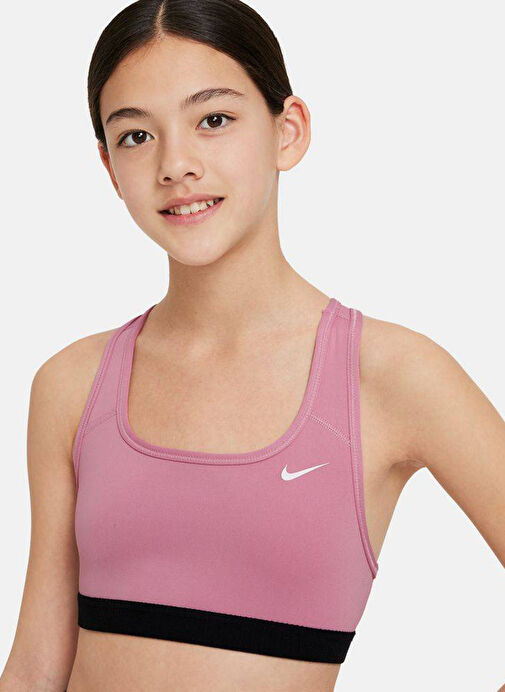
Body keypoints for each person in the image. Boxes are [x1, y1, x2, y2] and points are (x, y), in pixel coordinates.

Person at [1, 0, 504, 690]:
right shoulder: (71, 384)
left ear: (287, 131)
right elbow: (34, 668)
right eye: (136, 135)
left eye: (213, 120)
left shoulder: (391, 374)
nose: (176, 164)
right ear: (109, 167)